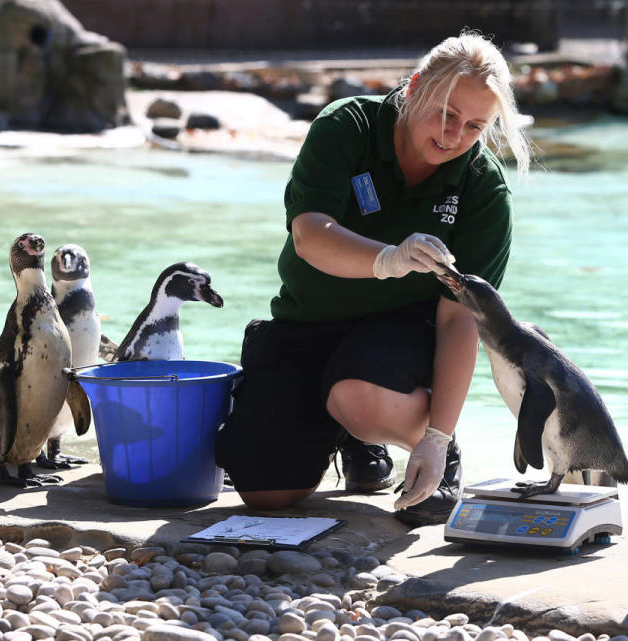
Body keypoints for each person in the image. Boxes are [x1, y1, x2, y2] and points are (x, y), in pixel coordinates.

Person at [215, 30, 531, 526]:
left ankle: (413, 442)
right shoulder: (348, 125)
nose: (453, 136)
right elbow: (309, 236)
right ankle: (348, 436)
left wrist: (437, 438)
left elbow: (459, 320)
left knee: (359, 398)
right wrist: (388, 258)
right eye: (446, 113)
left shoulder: (482, 188)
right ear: (415, 87)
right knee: (266, 493)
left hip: (401, 338)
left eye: (474, 126)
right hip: (307, 323)